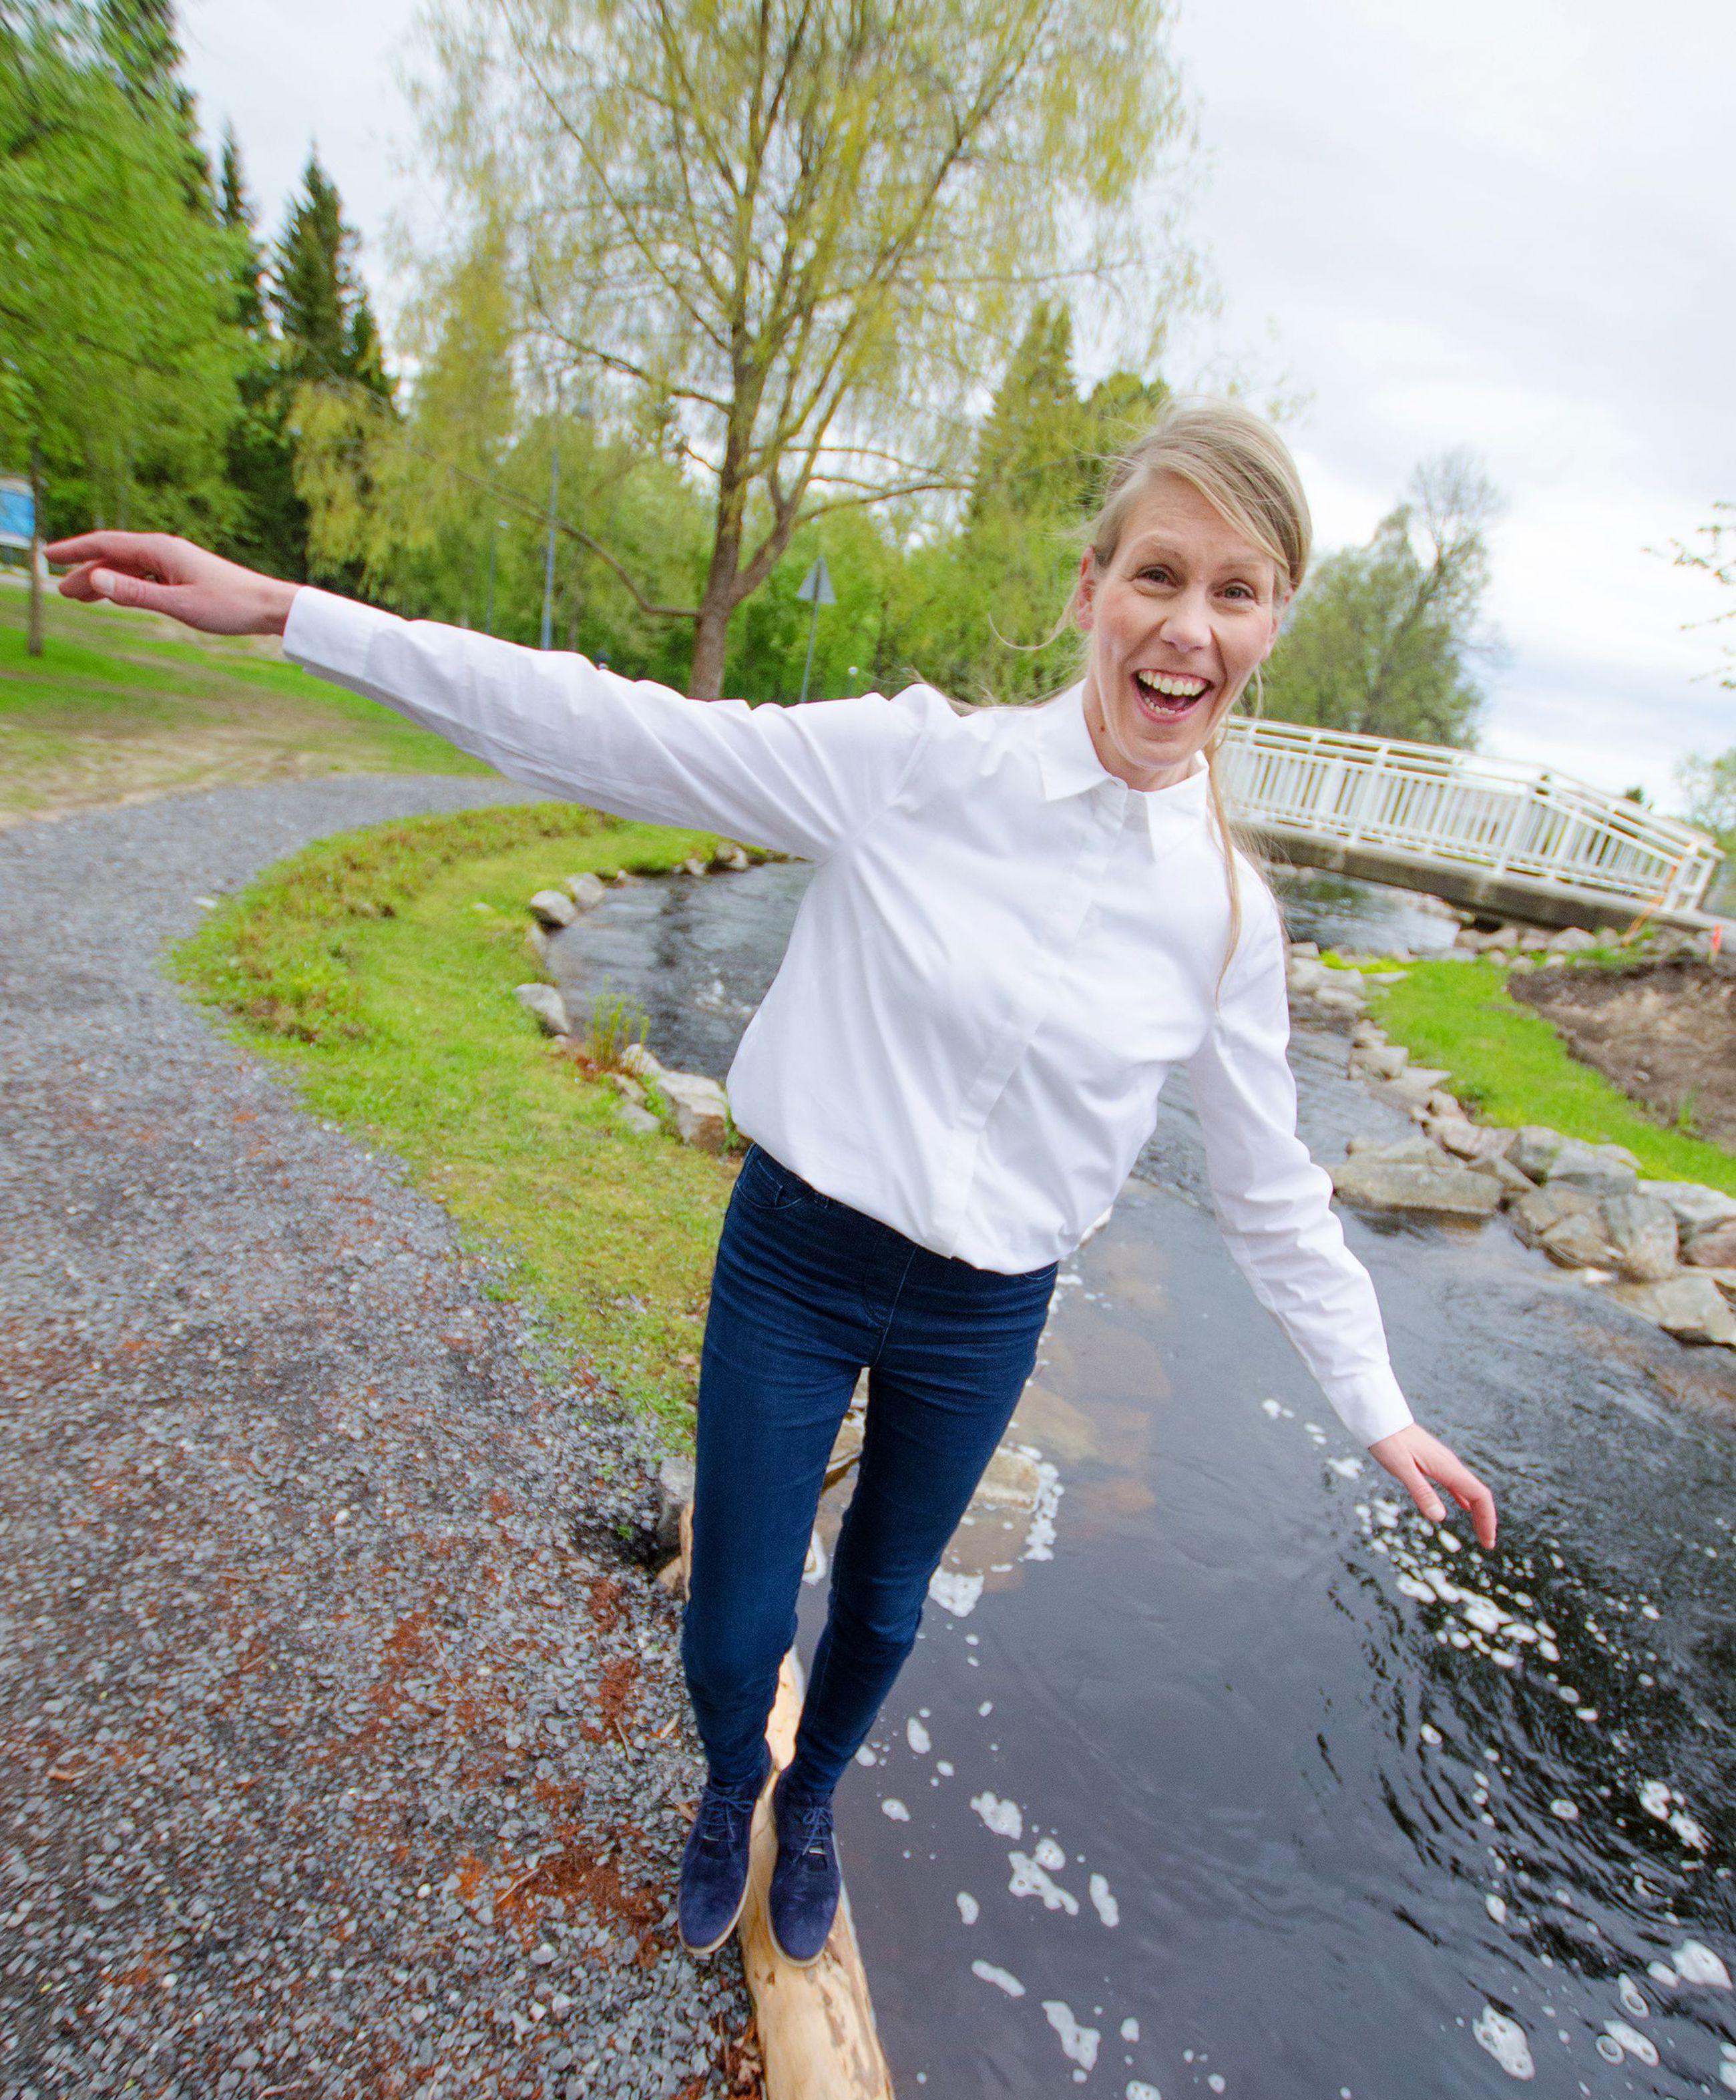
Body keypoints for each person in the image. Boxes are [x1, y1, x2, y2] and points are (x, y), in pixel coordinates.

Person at [50, 399, 1496, 1972]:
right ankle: (730, 1774)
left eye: (1233, 591)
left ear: (1270, 623)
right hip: (797, 1258)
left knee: (879, 1613)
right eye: (1158, 574)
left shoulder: (1228, 920)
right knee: (734, 1623)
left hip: (982, 1313)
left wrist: (1378, 1400)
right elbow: (606, 724)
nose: (1186, 625)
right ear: (1090, 589)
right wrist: (290, 614)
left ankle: (808, 1805)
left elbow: (1271, 1186)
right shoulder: (913, 768)